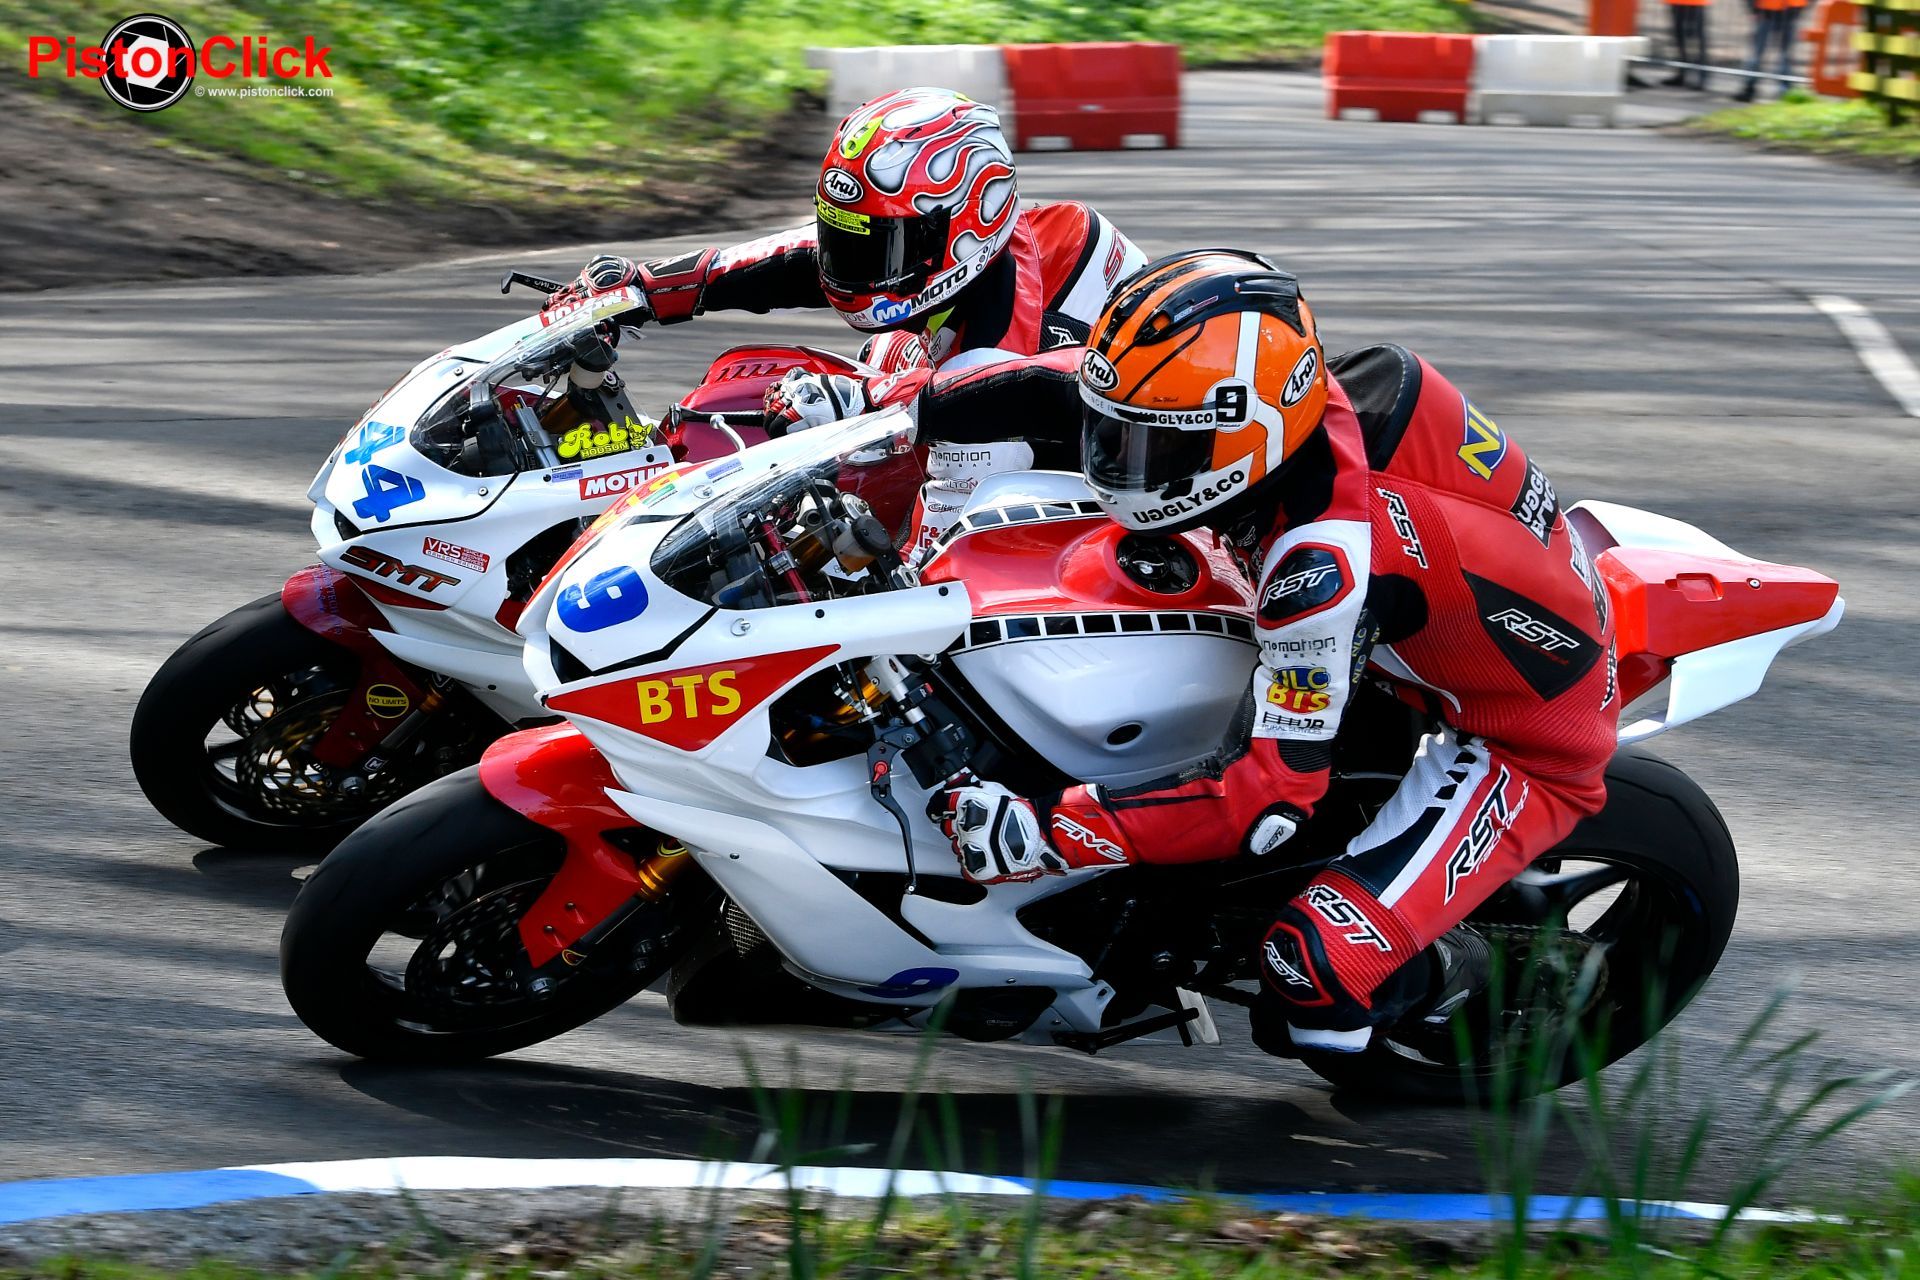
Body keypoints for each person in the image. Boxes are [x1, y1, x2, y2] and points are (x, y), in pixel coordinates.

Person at [932, 250, 1621, 1056]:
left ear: (1245, 432)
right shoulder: (1254, 394)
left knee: (1311, 979)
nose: (1117, 463)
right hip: (1427, 619)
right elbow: (1040, 383)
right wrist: (883, 412)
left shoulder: (1320, 575)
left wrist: (1045, 831)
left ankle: (1485, 976)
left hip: (1527, 738)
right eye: (1116, 432)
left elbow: (1260, 798)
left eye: (1151, 448)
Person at [542, 86, 1146, 552]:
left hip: (1075, 503)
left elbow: (937, 563)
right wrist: (646, 287)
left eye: (876, 249)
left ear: (962, 231)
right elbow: (796, 259)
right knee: (778, 382)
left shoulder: (1007, 331)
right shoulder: (960, 252)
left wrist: (863, 405)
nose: (848, 268)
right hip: (973, 397)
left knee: (832, 449)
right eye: (843, 238)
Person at [1735, 0, 1809, 101]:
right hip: (1769, 12)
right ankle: (1751, 86)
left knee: (1779, 54)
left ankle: (1782, 88)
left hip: (1782, 11)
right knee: (1765, 53)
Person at [1663, 0, 1711, 89]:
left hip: (1695, 3)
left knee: (1696, 36)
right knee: (1679, 33)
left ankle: (1702, 76)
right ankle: (1682, 72)